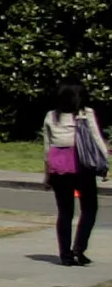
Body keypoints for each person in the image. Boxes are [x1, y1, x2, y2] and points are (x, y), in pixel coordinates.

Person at [43, 81, 105, 267]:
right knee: (89, 209)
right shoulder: (86, 114)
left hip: (59, 166)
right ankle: (79, 248)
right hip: (82, 165)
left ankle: (65, 254)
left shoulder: (51, 116)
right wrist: (104, 164)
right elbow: (97, 139)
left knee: (65, 212)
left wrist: (47, 173)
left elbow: (47, 147)